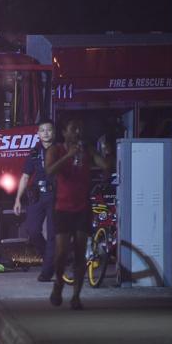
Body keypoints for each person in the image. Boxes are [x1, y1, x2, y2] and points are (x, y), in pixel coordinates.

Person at [45, 119, 110, 310]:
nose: (78, 132)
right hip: (62, 208)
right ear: (64, 132)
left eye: (79, 128)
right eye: (74, 129)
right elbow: (49, 171)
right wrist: (68, 156)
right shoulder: (55, 150)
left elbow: (104, 164)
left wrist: (107, 156)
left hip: (82, 207)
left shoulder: (86, 149)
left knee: (81, 253)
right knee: (61, 254)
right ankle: (58, 284)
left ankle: (76, 297)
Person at [13, 120, 56, 282]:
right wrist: (18, 199)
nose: (46, 133)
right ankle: (49, 259)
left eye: (49, 130)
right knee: (33, 231)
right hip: (37, 196)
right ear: (38, 134)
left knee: (52, 234)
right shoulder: (34, 152)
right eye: (42, 130)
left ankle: (47, 271)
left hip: (55, 196)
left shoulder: (60, 150)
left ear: (54, 132)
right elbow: (25, 177)